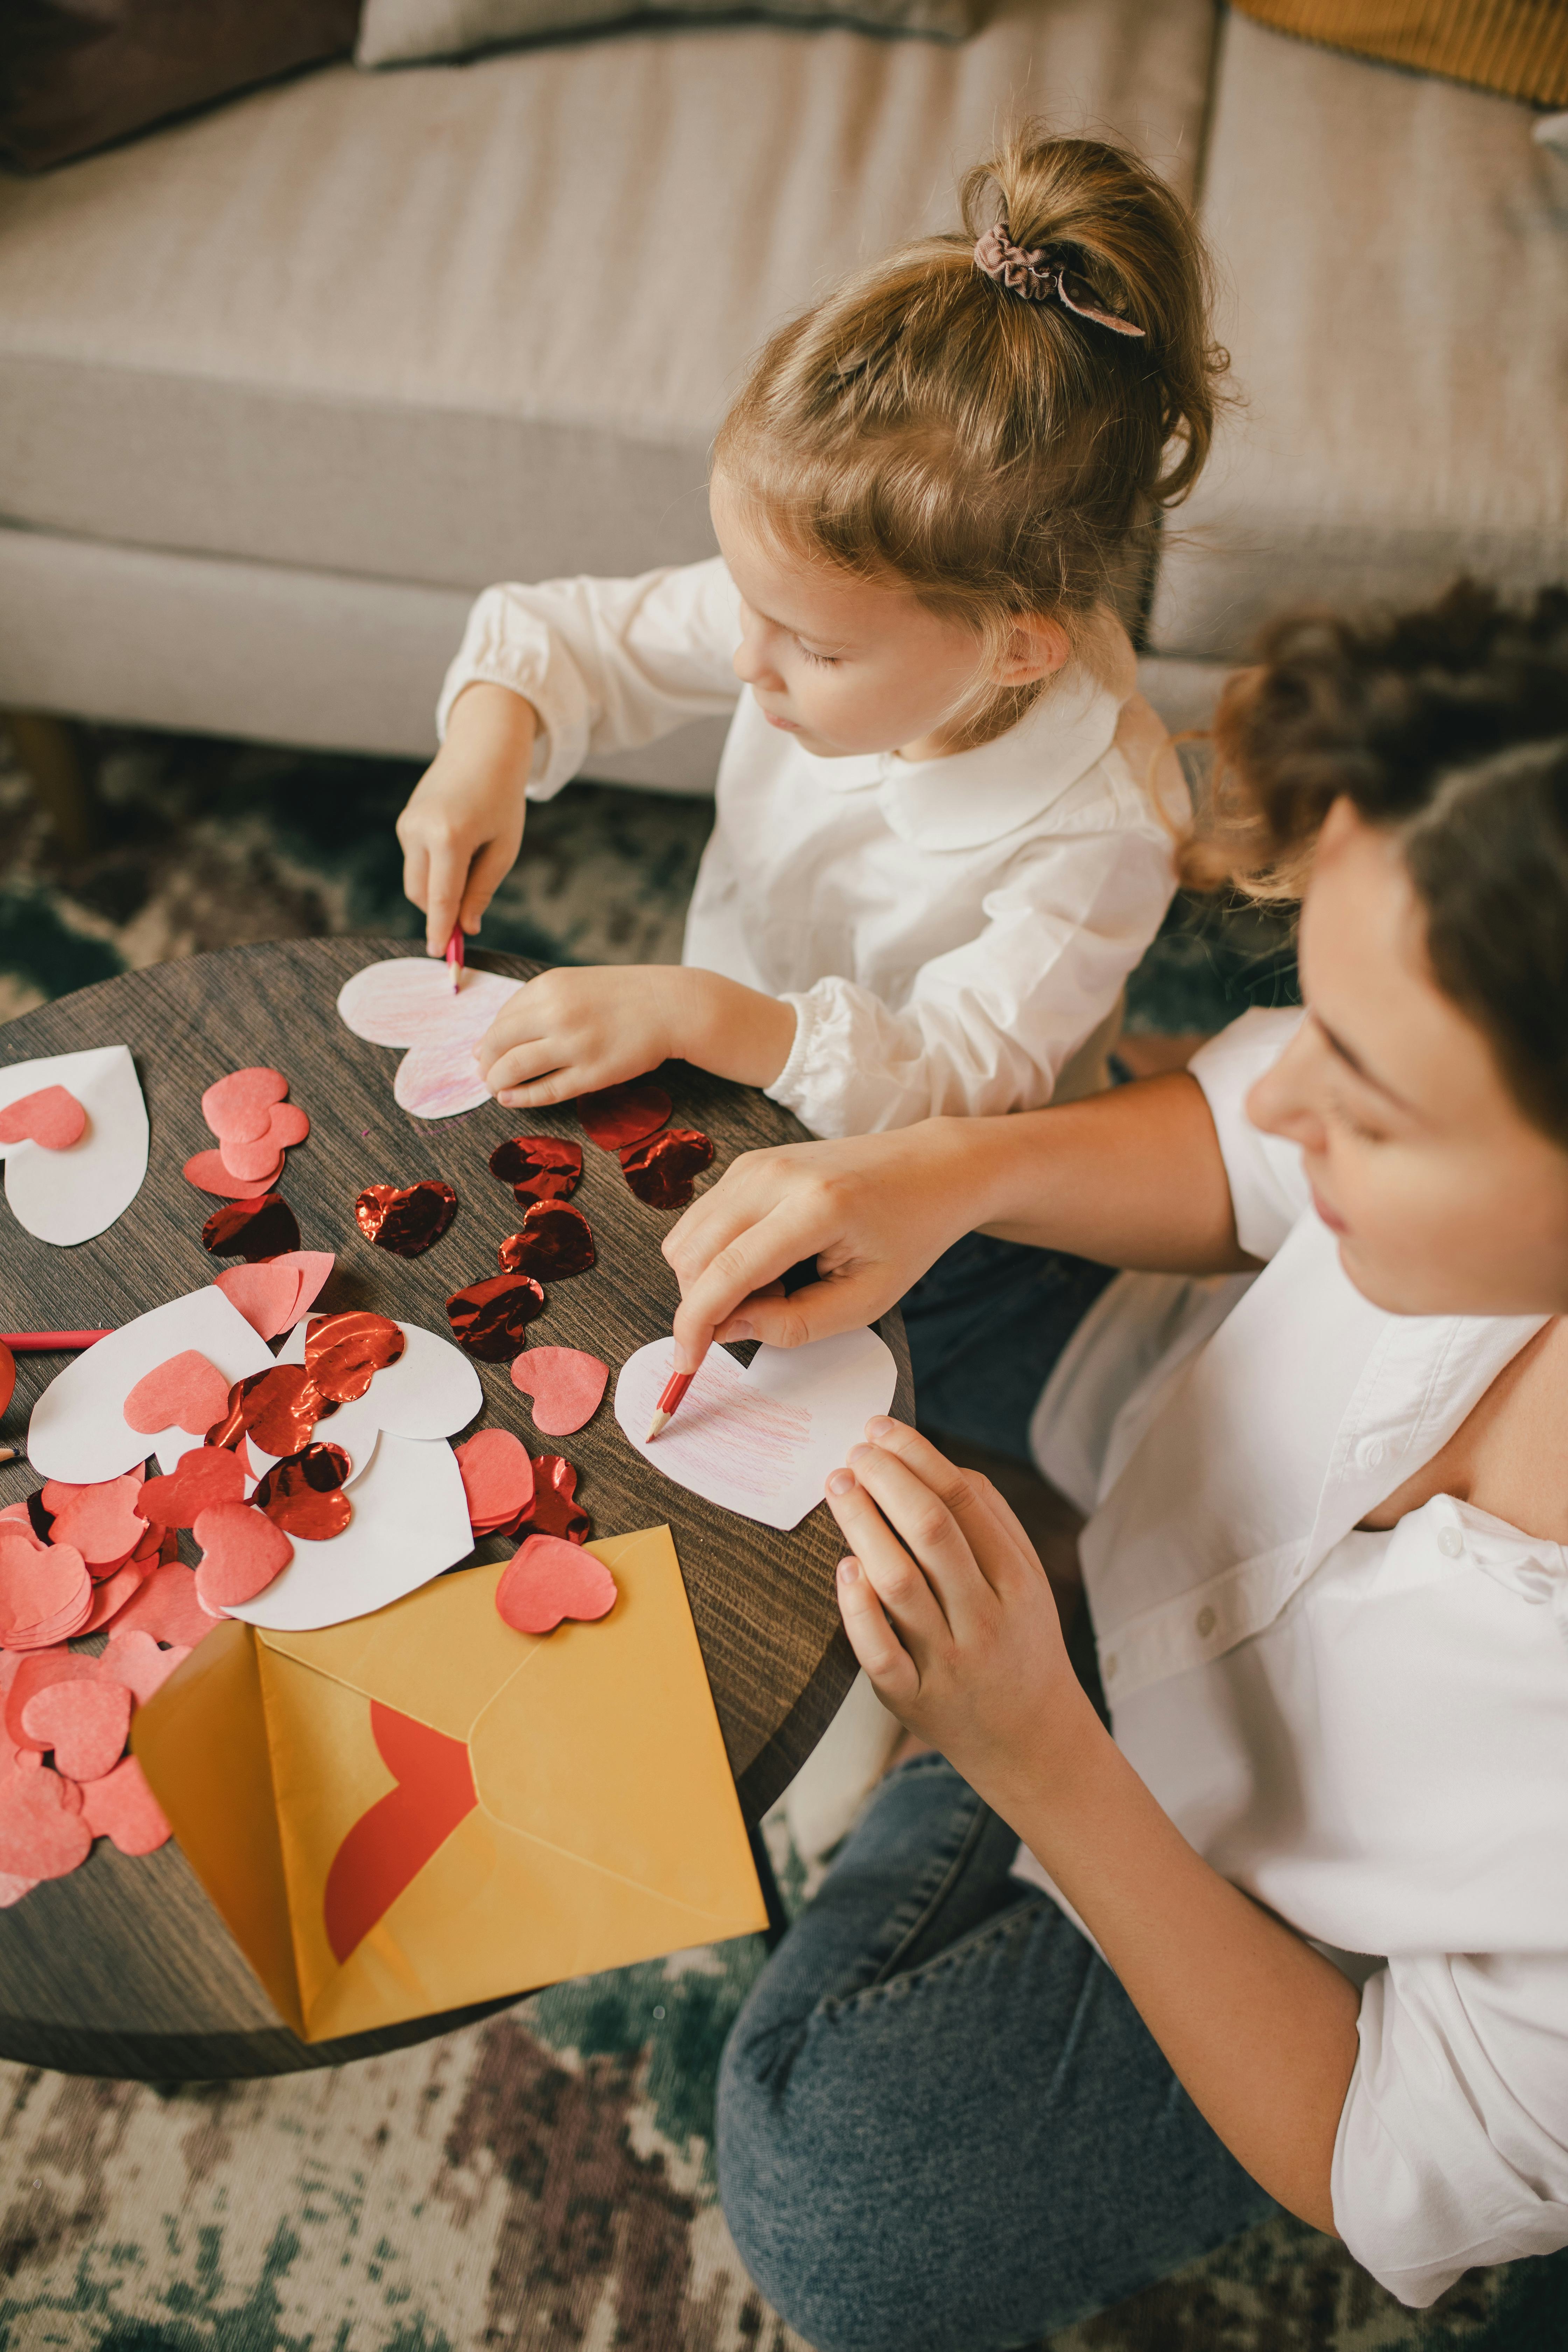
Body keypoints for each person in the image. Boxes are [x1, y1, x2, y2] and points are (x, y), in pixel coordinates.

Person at [650, 583, 1568, 2348]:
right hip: (1161, 1430)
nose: (1292, 1096)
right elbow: (1244, 1135)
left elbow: (1380, 2158)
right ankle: (1024, 1579)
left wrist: (1037, 1759)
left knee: (834, 2197)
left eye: (1368, 1102)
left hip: (1266, 1896)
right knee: (796, 1187)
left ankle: (992, 1691)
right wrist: (949, 1174)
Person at [394, 127, 1223, 1172]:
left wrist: (705, 1015)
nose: (748, 660)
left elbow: (956, 1079)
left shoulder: (1105, 833)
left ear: (1016, 652)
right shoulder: (806, 615)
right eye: (745, 602)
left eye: (817, 653)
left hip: (933, 1196)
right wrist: (486, 749)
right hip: (716, 1066)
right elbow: (564, 636)